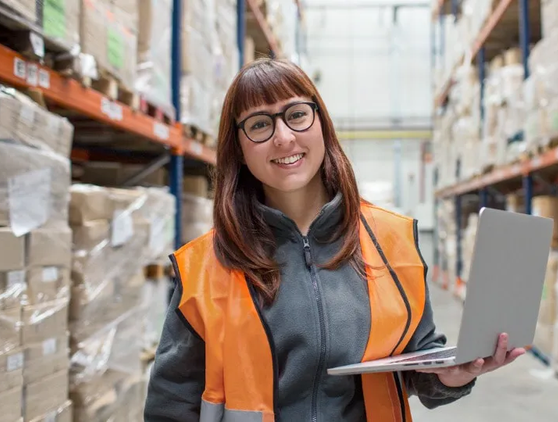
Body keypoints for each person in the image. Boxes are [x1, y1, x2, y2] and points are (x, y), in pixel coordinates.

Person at [144, 58, 525, 422]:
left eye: (296, 115)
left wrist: (451, 375)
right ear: (239, 149)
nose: (283, 137)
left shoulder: (392, 240)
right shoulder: (206, 266)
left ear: (321, 124)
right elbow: (172, 403)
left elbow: (416, 359)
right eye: (259, 125)